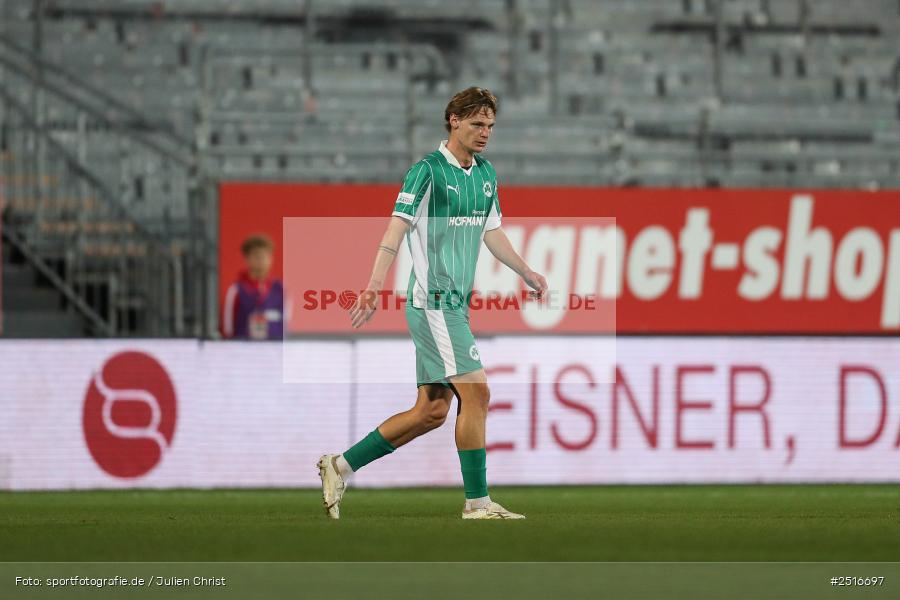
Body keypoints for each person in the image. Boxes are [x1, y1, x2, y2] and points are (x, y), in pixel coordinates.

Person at [318, 87, 548, 520]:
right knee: (477, 394)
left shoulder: (485, 174)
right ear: (453, 120)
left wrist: (526, 272)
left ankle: (338, 466)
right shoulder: (425, 171)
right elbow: (395, 232)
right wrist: (373, 284)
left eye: (491, 126)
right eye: (477, 124)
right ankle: (478, 503)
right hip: (433, 302)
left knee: (432, 411)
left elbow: (491, 232)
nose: (485, 133)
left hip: (456, 305)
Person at [222, 234, 286, 340]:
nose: (261, 260)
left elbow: (287, 325)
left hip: (274, 351)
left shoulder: (281, 290)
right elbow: (227, 329)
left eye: (266, 255)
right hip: (244, 351)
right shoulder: (235, 291)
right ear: (247, 259)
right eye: (257, 256)